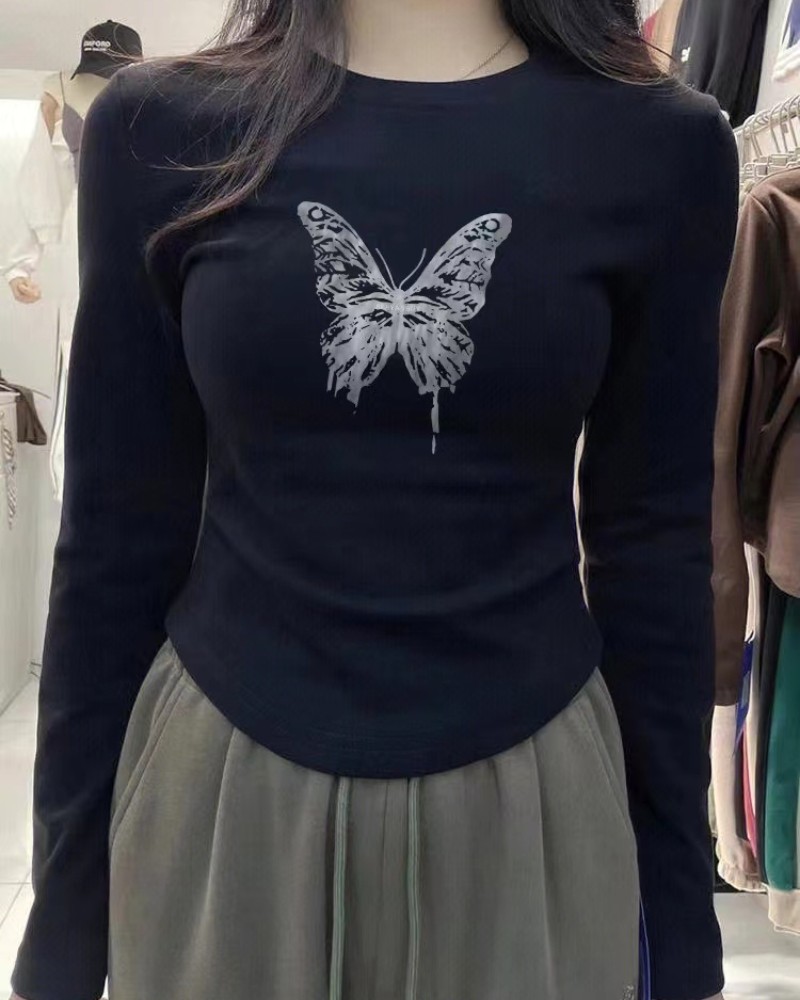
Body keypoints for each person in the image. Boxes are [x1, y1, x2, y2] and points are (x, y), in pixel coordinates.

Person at [9, 1, 739, 999]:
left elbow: (653, 546)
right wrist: (64, 915)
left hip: (530, 807)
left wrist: (678, 911)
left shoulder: (657, 146)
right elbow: (114, 536)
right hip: (225, 798)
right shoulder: (162, 128)